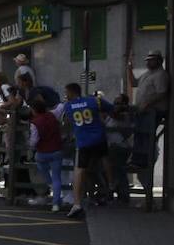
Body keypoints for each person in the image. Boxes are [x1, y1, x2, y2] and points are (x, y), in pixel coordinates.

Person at [63, 81, 113, 219]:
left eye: (66, 93)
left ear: (72, 92)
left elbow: (67, 121)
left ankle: (77, 203)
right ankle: (111, 185)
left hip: (83, 141)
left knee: (79, 170)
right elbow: (112, 109)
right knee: (105, 159)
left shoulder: (68, 106)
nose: (65, 95)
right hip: (99, 137)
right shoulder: (95, 101)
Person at [128, 49, 169, 212]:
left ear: (158, 60)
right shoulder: (147, 74)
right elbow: (134, 83)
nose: (148, 62)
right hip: (143, 113)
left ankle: (142, 159)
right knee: (140, 138)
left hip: (153, 112)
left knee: (147, 142)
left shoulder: (161, 75)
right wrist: (129, 67)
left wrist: (147, 104)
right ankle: (137, 158)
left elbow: (162, 93)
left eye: (151, 59)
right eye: (147, 59)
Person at [29, 97, 65, 211]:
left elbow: (34, 141)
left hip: (42, 152)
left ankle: (51, 188)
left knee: (44, 171)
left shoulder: (35, 122)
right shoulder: (53, 115)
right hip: (56, 150)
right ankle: (56, 203)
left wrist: (30, 145)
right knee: (57, 178)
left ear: (34, 110)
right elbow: (61, 106)